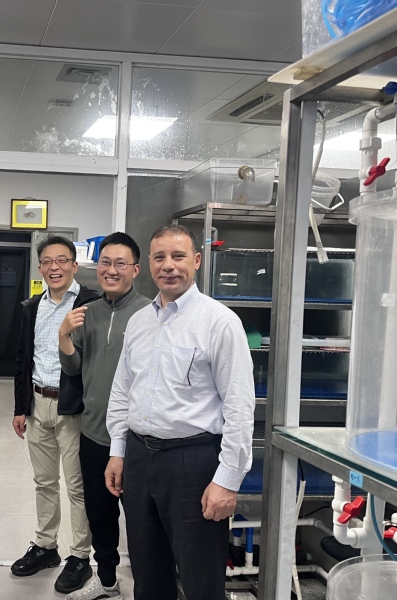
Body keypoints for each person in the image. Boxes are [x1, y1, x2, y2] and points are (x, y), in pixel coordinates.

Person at [105, 224, 255, 600]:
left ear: (197, 260)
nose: (168, 265)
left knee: (200, 576)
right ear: (149, 264)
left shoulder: (220, 323)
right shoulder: (139, 322)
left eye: (178, 256)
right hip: (139, 458)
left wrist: (228, 480)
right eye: (160, 257)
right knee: (147, 571)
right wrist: (118, 451)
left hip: (194, 463)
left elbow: (239, 406)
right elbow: (122, 390)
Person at [58, 232, 151, 600]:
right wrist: (65, 336)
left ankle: (150, 586)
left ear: (135, 270)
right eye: (105, 263)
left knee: (142, 520)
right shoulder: (89, 312)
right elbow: (73, 368)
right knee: (100, 515)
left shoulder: (150, 313)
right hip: (94, 432)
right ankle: (108, 580)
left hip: (137, 439)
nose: (111, 270)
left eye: (120, 264)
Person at [11, 235, 100, 594]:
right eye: (47, 262)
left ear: (74, 265)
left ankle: (80, 556)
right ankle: (46, 546)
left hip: (73, 408)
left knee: (78, 486)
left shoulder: (91, 304)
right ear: (40, 268)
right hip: (37, 403)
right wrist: (20, 408)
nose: (54, 267)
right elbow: (23, 358)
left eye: (62, 260)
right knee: (44, 482)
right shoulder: (32, 306)